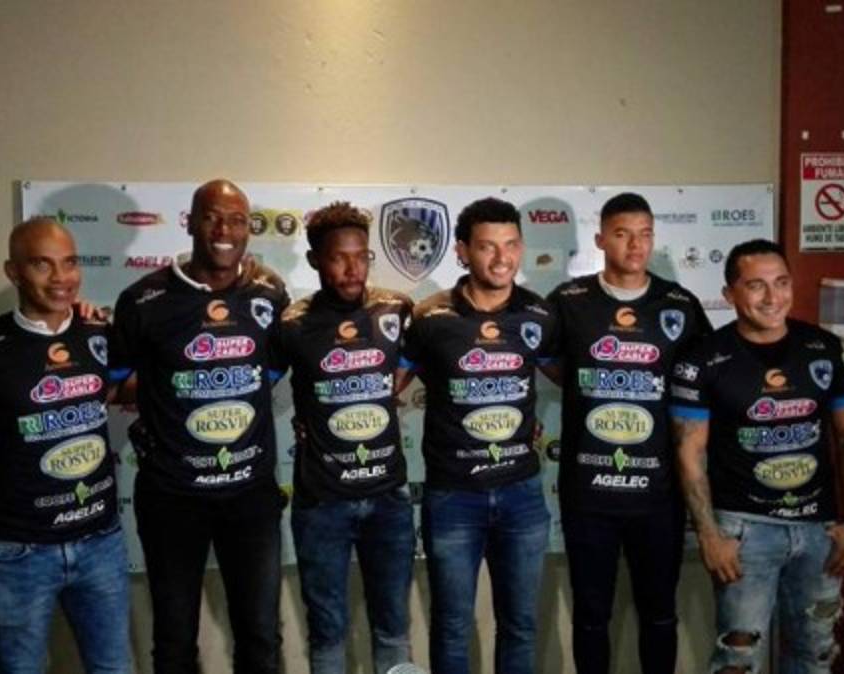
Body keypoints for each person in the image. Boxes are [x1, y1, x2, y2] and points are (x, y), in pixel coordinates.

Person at [109, 179, 289, 674]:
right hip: (172, 498)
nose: (224, 231)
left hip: (250, 495)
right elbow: (114, 384)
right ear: (190, 223)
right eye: (212, 217)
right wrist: (172, 385)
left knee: (260, 637)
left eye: (237, 220)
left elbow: (270, 371)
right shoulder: (143, 299)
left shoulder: (270, 293)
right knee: (174, 641)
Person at [671, 239, 844, 673]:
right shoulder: (702, 361)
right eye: (756, 285)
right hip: (743, 531)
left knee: (815, 653)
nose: (772, 297)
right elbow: (690, 450)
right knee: (738, 658)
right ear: (730, 294)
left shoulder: (828, 350)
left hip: (819, 530)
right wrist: (709, 535)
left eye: (781, 283)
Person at [546, 192, 711, 674]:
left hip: (658, 495)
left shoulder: (679, 304)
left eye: (645, 235)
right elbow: (552, 364)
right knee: (590, 617)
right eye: (622, 234)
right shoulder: (569, 301)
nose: (636, 246)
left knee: (659, 615)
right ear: (600, 240)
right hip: (588, 493)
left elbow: (701, 383)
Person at [399, 197, 557, 674]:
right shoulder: (430, 317)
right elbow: (386, 386)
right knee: (451, 626)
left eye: (511, 245)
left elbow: (578, 380)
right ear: (463, 252)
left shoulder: (539, 315)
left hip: (522, 494)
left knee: (521, 625)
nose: (502, 258)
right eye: (488, 246)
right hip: (454, 497)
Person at [0, 217, 129, 673]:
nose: (61, 277)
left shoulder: (99, 332)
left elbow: (130, 387)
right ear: (13, 272)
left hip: (100, 540)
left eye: (70, 263)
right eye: (43, 264)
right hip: (19, 551)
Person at [279, 201, 416, 674]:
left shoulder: (396, 308)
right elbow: (250, 385)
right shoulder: (292, 324)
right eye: (339, 258)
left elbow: (431, 357)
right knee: (328, 634)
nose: (353, 268)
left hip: (389, 498)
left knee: (393, 629)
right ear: (315, 259)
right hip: (322, 502)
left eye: (361, 256)